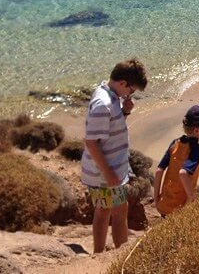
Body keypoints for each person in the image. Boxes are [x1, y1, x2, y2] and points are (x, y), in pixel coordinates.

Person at [81, 59, 147, 253]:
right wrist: (108, 172)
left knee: (110, 210)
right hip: (104, 171)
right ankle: (117, 255)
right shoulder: (103, 104)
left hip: (109, 168)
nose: (130, 94)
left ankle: (103, 253)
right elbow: (91, 142)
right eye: (131, 90)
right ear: (122, 83)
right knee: (113, 211)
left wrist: (125, 112)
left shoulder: (111, 95)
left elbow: (108, 130)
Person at [153, 104, 199, 217]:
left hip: (163, 204)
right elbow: (183, 173)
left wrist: (156, 199)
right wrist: (191, 199)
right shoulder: (197, 149)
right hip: (180, 209)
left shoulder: (175, 143)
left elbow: (159, 171)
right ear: (196, 130)